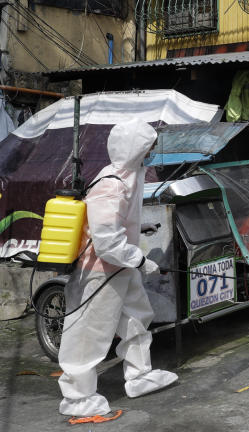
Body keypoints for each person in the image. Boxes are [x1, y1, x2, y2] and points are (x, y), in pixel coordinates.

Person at [58, 119, 178, 417]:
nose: (151, 153)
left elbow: (119, 222)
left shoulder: (130, 176)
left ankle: (139, 376)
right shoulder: (111, 184)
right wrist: (141, 261)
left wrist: (142, 227)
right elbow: (106, 242)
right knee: (89, 333)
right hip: (101, 270)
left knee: (137, 319)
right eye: (148, 147)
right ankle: (76, 397)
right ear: (134, 149)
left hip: (122, 267)